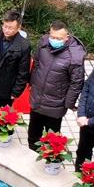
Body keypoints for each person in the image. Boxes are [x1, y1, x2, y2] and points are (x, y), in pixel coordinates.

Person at [26, 20, 86, 151]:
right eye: (52, 36)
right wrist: (31, 82)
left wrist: (68, 103)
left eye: (58, 38)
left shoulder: (74, 56)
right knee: (34, 131)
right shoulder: (44, 43)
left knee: (52, 137)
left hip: (56, 103)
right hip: (37, 98)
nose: (54, 40)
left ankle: (51, 156)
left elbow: (76, 83)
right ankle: (32, 150)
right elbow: (36, 64)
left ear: (66, 37)